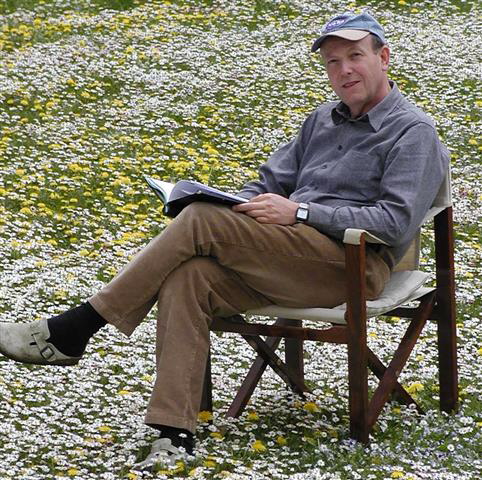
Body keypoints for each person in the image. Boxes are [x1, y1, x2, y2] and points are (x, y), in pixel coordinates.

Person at [0, 11, 448, 470]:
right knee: (190, 276)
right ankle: (173, 433)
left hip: (353, 265)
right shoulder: (321, 120)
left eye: (355, 56)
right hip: (284, 255)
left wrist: (300, 212)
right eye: (333, 62)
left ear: (383, 58)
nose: (344, 70)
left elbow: (393, 222)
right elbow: (269, 183)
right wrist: (235, 204)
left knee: (200, 220)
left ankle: (76, 328)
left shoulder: (413, 132)